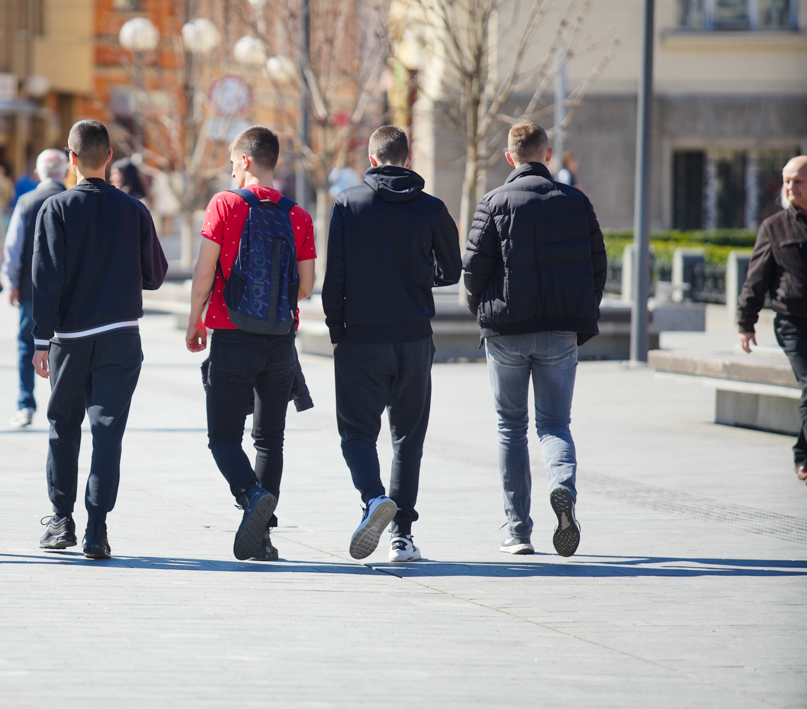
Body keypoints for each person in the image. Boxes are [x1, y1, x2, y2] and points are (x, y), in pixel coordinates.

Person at [462, 122, 606, 558]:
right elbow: (598, 266)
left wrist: (482, 312)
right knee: (554, 425)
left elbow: (472, 270)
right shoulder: (576, 201)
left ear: (510, 158)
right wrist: (577, 314)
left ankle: (518, 531)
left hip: (506, 332)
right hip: (559, 332)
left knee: (511, 428)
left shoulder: (494, 201)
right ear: (547, 155)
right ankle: (562, 488)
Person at [322, 125, 461, 563]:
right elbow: (452, 270)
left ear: (372, 156)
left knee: (357, 434)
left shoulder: (348, 204)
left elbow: (334, 282)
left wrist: (336, 332)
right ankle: (402, 537)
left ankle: (372, 499)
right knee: (408, 438)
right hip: (414, 337)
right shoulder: (432, 209)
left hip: (360, 337)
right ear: (407, 156)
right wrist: (420, 279)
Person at [32, 120, 168, 560]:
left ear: (71, 158)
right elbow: (155, 275)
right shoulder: (134, 211)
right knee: (107, 433)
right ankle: (97, 529)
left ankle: (60, 521)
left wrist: (39, 340)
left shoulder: (56, 209)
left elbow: (44, 280)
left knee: (63, 427)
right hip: (121, 337)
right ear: (109, 157)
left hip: (70, 338)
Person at [186, 125, 316, 561]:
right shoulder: (298, 214)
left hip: (231, 333)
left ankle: (249, 493)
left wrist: (195, 319)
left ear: (243, 160)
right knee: (269, 441)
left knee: (223, 436)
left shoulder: (224, 204)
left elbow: (205, 272)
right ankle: (261, 539)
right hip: (280, 342)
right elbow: (305, 286)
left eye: (231, 160)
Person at [738, 155, 807, 484]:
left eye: (798, 181)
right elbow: (756, 279)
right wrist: (745, 323)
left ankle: (802, 454)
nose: (791, 187)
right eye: (787, 181)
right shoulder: (775, 227)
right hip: (792, 323)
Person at [3, 148, 69, 428]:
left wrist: (11, 282)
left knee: (25, 343)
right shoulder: (73, 200)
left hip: (32, 289)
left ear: (39, 173)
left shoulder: (27, 201)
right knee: (66, 344)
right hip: (69, 290)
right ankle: (64, 401)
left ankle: (25, 404)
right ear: (65, 172)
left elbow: (13, 246)